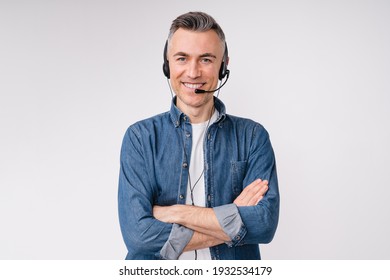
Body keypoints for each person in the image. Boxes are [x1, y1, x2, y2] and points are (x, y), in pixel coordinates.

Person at [118, 11, 279, 260]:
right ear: (167, 64)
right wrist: (234, 219)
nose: (193, 73)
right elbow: (139, 236)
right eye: (182, 58)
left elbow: (264, 225)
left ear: (223, 66)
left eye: (205, 59)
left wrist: (179, 213)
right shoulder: (140, 138)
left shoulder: (253, 137)